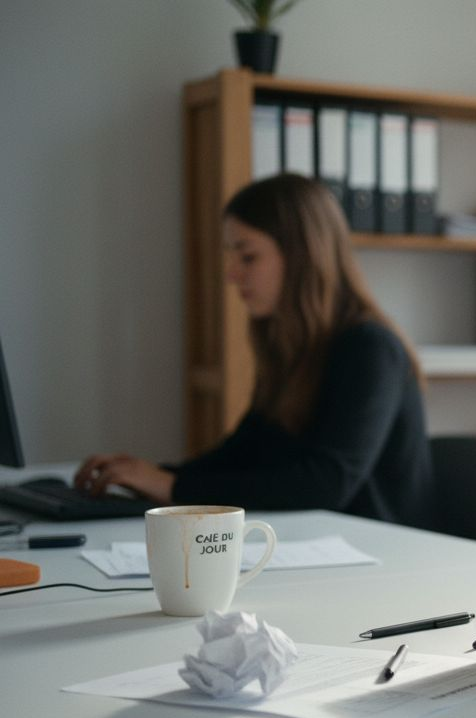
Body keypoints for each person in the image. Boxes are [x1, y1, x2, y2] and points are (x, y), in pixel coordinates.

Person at [75, 173, 435, 528]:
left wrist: (172, 487)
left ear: (302, 257)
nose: (231, 274)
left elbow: (325, 484)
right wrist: (149, 477)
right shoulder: (294, 345)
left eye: (247, 257)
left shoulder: (370, 348)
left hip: (377, 556)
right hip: (314, 541)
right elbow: (246, 451)